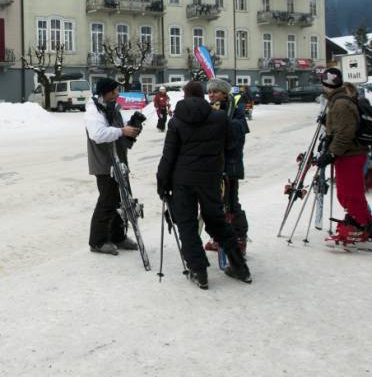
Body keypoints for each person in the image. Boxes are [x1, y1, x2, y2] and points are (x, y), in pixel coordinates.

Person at [157, 81, 251, 289]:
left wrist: (162, 182)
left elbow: (168, 155)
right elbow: (231, 144)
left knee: (187, 224)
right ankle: (240, 267)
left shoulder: (176, 120)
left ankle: (199, 271)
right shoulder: (219, 118)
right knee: (217, 221)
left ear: (185, 95)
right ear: (202, 96)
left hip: (183, 179)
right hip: (210, 177)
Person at [317, 71, 372, 251]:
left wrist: (331, 154)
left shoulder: (341, 103)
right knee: (347, 194)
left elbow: (345, 133)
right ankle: (359, 226)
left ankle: (367, 235)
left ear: (326, 84)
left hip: (351, 154)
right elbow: (341, 128)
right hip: (348, 154)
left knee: (351, 195)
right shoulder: (338, 101)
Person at [85, 78, 142, 255]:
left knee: (122, 201)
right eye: (114, 91)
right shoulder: (94, 111)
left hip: (119, 161)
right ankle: (97, 241)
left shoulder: (113, 107)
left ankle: (118, 236)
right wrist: (122, 131)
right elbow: (97, 134)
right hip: (104, 163)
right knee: (107, 201)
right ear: (105, 92)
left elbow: (118, 131)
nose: (117, 94)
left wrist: (130, 131)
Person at [204, 78, 249, 257]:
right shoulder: (210, 110)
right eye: (209, 92)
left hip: (230, 165)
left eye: (215, 92)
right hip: (212, 166)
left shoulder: (235, 110)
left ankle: (239, 237)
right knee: (214, 204)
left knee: (230, 204)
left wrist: (221, 121)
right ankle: (219, 237)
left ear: (224, 93)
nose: (211, 95)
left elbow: (238, 135)